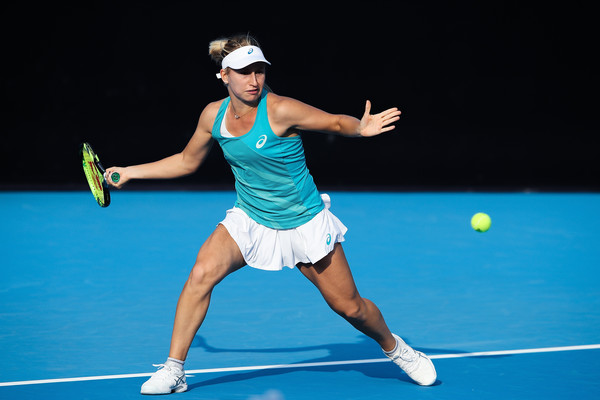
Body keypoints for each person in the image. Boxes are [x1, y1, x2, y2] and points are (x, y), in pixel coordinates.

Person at [106, 34, 437, 395]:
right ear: (223, 75)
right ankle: (174, 370)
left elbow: (334, 123)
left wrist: (360, 127)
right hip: (250, 218)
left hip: (303, 223)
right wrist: (131, 171)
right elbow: (187, 161)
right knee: (201, 273)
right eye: (244, 72)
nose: (253, 80)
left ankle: (396, 348)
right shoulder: (212, 116)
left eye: (259, 71)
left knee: (351, 308)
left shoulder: (280, 109)